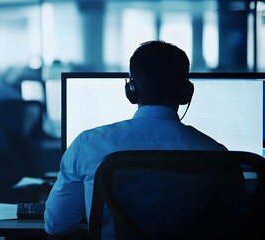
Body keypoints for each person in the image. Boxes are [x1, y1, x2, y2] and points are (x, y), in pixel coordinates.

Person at [43, 40, 227, 239]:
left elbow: (57, 226)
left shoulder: (87, 144)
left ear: (131, 90)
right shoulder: (217, 154)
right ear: (186, 92)